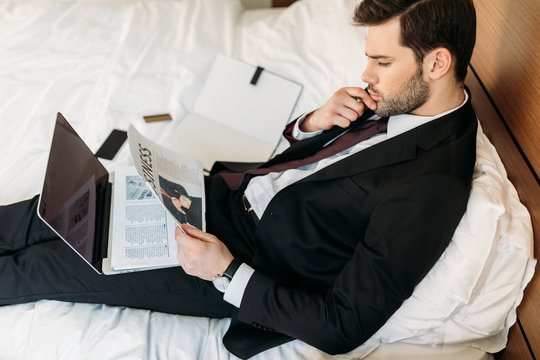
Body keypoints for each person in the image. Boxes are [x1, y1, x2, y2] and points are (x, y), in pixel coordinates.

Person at [0, 0, 477, 358]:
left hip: (236, 260)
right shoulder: (402, 98)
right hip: (213, 197)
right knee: (52, 209)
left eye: (383, 62)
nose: (366, 74)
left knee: (48, 265)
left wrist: (223, 271)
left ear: (436, 63)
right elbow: (311, 170)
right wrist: (311, 124)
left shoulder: (434, 185)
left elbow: (344, 325)